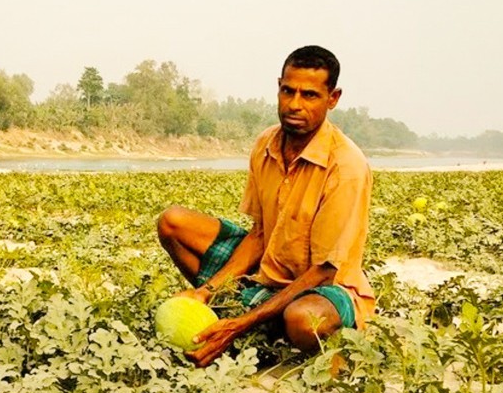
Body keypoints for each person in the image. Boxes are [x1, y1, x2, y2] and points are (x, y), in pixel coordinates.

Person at [157, 45, 374, 368]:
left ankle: (277, 328)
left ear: (333, 98)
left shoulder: (346, 167)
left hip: (326, 289)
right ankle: (249, 314)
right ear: (279, 88)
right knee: (173, 222)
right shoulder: (266, 145)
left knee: (302, 319)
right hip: (266, 278)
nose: (294, 105)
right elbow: (259, 235)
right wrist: (207, 291)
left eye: (310, 95)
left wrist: (239, 325)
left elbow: (324, 272)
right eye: (288, 91)